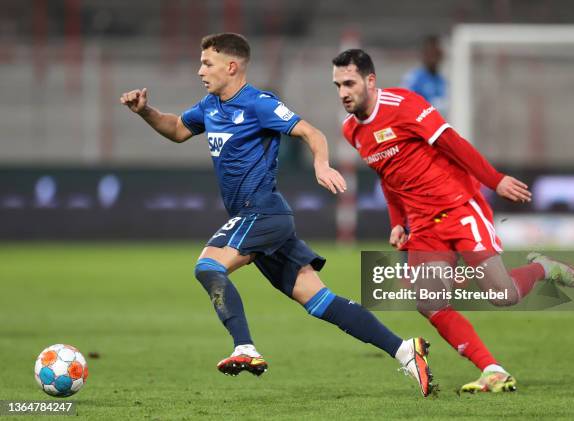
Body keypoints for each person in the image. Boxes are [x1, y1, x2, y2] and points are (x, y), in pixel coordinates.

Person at [120, 33, 434, 397]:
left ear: (231, 66)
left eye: (207, 63)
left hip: (263, 212)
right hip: (261, 220)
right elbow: (176, 129)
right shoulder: (209, 106)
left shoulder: (259, 104)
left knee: (208, 267)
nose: (200, 70)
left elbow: (311, 132)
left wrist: (321, 164)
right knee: (319, 301)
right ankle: (404, 350)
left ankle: (245, 347)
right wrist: (145, 111)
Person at [332, 49, 574, 393]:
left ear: (370, 81)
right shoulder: (351, 131)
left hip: (460, 208)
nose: (343, 92)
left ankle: (543, 268)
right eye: (338, 85)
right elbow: (387, 177)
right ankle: (492, 369)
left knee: (502, 294)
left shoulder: (403, 105)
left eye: (349, 83)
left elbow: (452, 142)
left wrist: (494, 180)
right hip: (422, 226)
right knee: (429, 302)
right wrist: (398, 222)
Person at [401, 35, 448, 117]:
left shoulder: (444, 80)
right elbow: (403, 103)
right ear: (423, 55)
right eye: (430, 53)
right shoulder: (414, 78)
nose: (433, 58)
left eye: (435, 54)